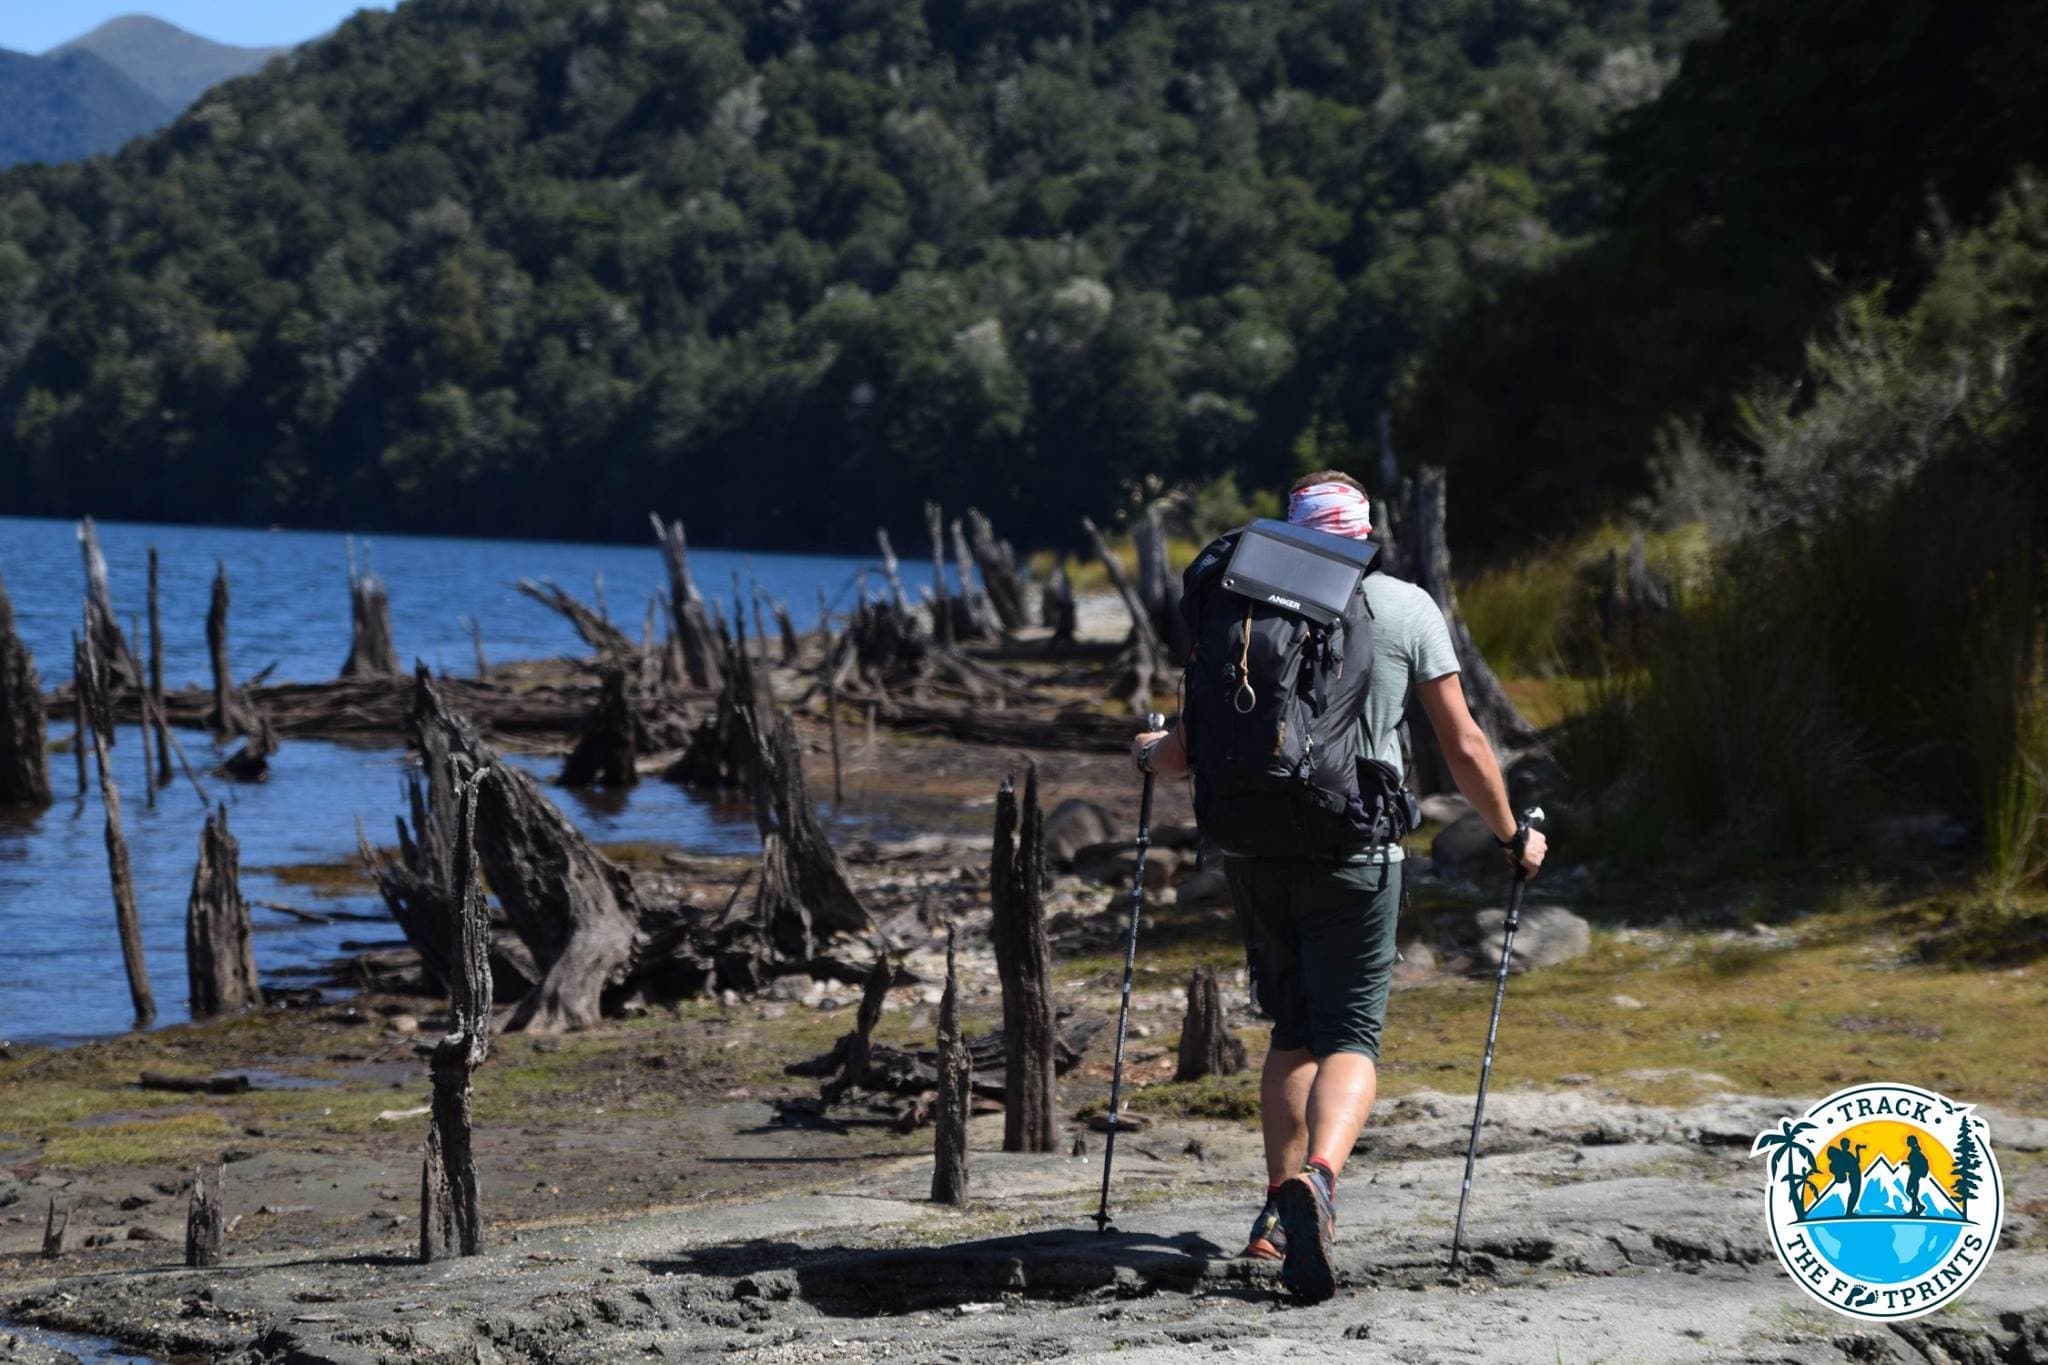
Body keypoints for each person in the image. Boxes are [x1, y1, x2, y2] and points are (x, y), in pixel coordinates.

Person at [1133, 471, 1547, 1303]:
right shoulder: (1403, 605)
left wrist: (1149, 752)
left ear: (1291, 530)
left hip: (1252, 850)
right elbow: (1463, 743)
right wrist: (1512, 834)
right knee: (1351, 1032)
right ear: (1367, 533)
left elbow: (1188, 746)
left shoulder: (1241, 597)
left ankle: (1274, 1217)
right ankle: (1319, 1179)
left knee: (1293, 1028)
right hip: (1356, 849)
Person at [1824, 1137, 1863, 1216]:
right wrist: (1857, 1150)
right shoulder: (1845, 1154)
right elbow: (1856, 1162)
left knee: (1854, 1193)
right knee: (1855, 1193)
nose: (1849, 1145)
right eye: (1848, 1144)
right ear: (1844, 1145)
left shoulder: (1844, 1154)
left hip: (1854, 1174)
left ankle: (1849, 1211)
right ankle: (1849, 1212)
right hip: (1854, 1174)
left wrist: (1857, 1150)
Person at [1904, 1135, 1929, 1216]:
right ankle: (1917, 1208)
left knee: (1909, 1191)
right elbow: (1914, 1162)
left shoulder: (1915, 1151)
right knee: (1913, 1192)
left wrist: (1909, 1163)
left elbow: (1916, 1163)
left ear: (1911, 1142)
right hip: (1915, 1174)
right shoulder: (1915, 1151)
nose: (1906, 1142)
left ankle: (1917, 1208)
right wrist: (1907, 1163)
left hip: (1915, 1174)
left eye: (1908, 1140)